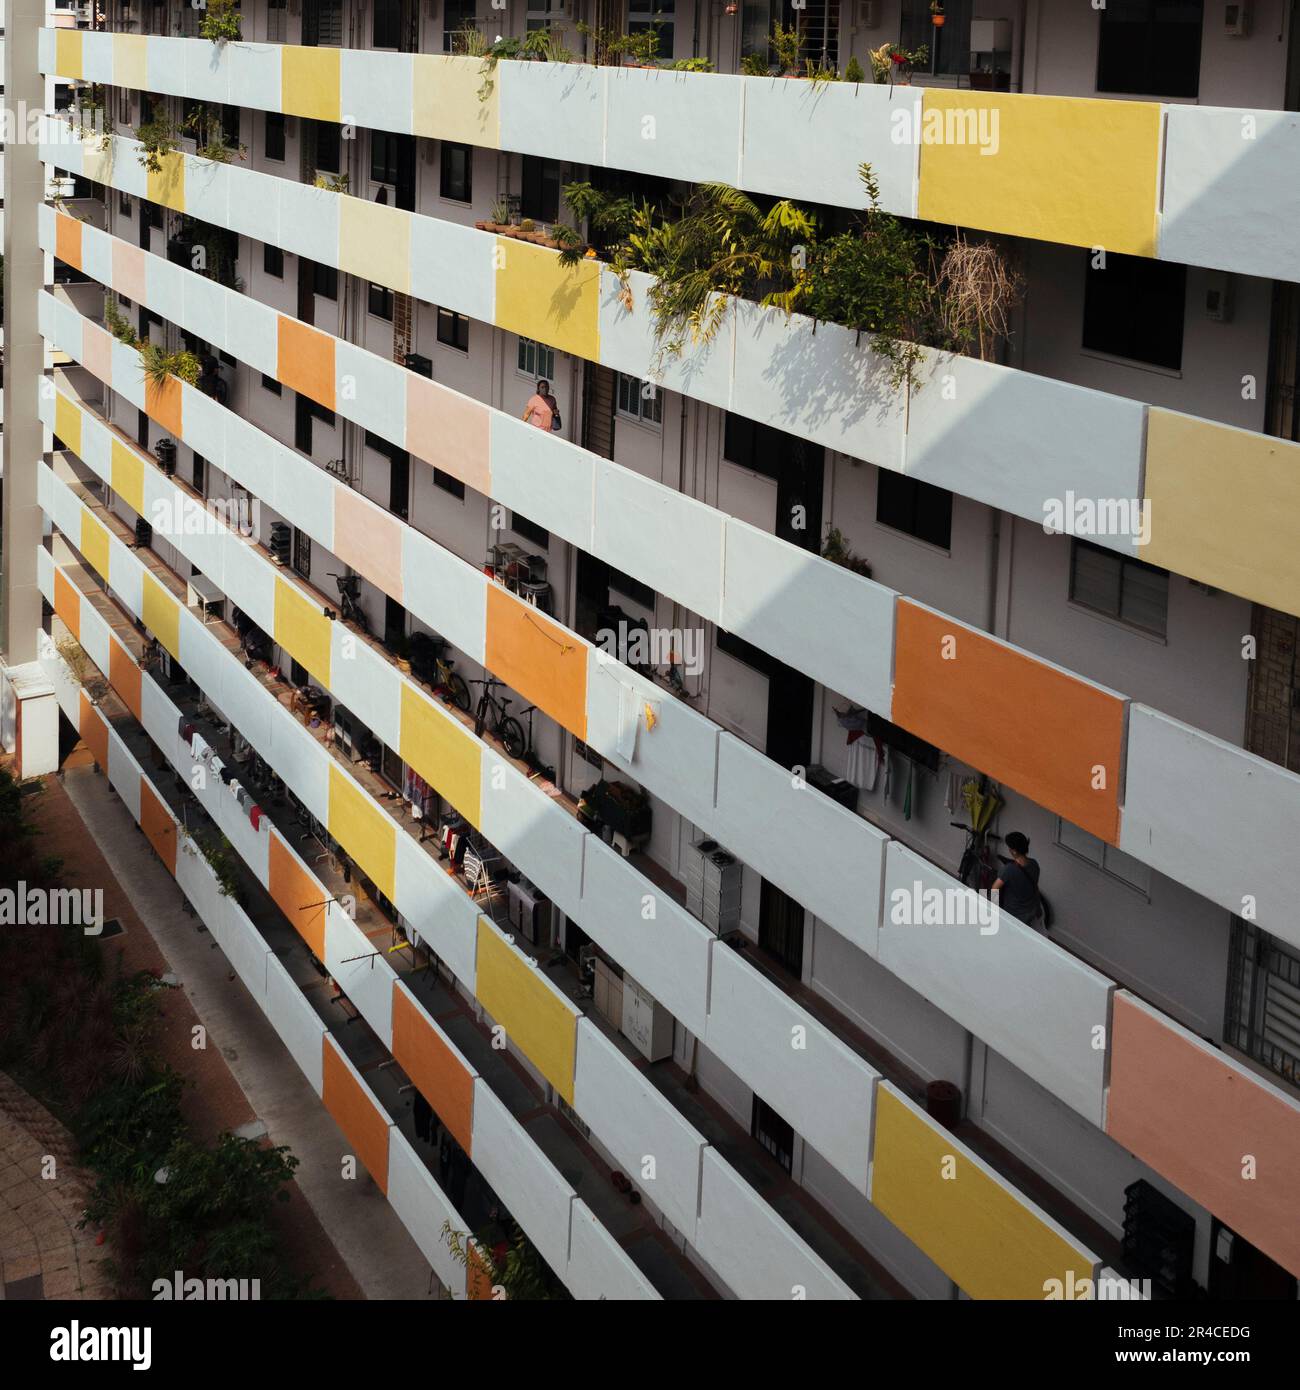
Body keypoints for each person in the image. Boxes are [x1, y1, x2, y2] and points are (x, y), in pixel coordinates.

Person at [992, 831, 1044, 929]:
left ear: (1014, 851)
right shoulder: (1034, 864)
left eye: (1009, 848)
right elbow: (1035, 887)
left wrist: (994, 912)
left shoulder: (1009, 870)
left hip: (1013, 916)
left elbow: (994, 889)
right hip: (1031, 914)